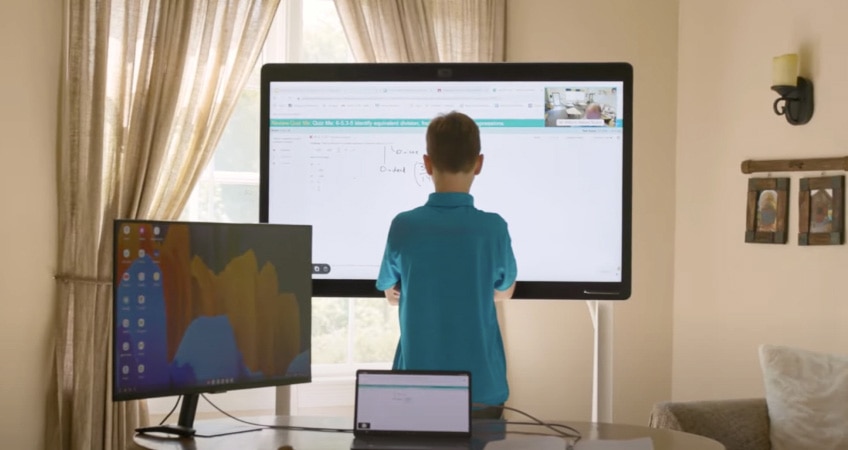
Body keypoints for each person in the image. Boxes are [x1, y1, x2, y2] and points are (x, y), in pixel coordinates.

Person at [376, 111, 517, 419]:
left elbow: (389, 290)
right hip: (482, 392)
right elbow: (505, 291)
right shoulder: (494, 228)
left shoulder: (404, 225)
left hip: (415, 387)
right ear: (479, 164)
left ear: (427, 164)